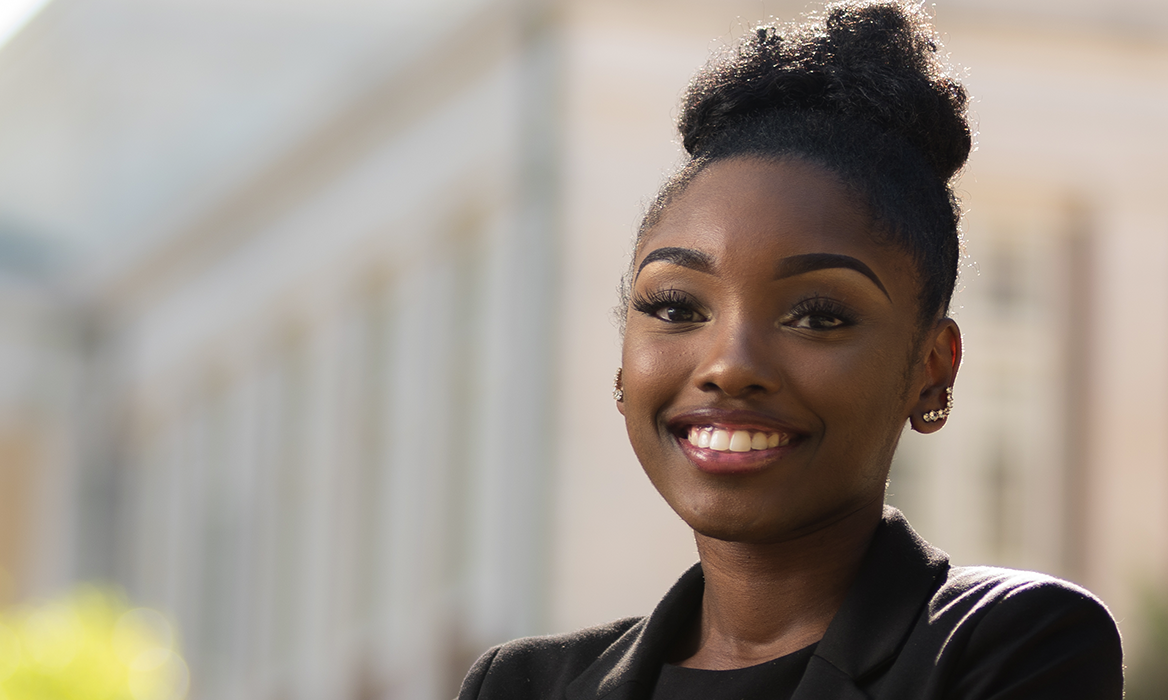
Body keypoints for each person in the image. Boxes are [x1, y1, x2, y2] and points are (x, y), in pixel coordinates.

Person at [455, 2, 1123, 698]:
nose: (729, 365)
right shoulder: (520, 684)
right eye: (677, 308)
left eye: (818, 317)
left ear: (932, 369)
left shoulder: (1011, 642)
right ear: (624, 364)